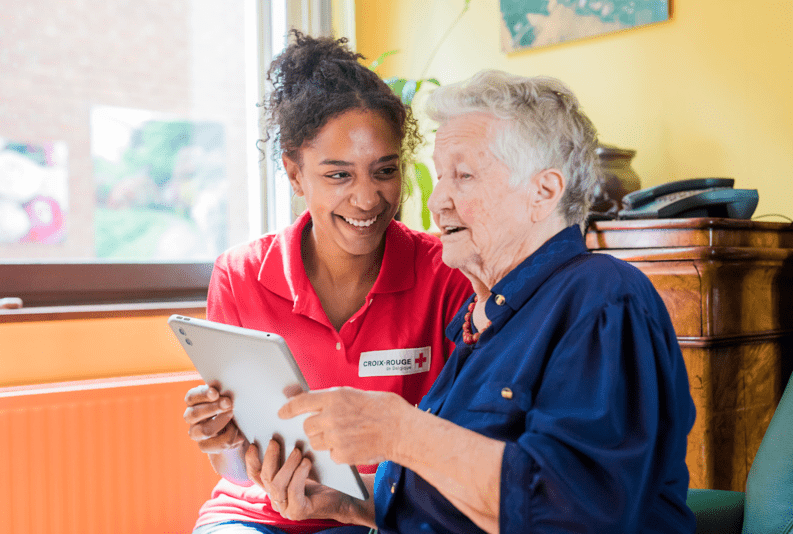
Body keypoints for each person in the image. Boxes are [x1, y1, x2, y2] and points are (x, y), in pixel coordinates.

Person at [250, 70, 698, 534]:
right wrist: (351, 503)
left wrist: (400, 432)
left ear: (543, 192)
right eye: (441, 175)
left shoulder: (602, 298)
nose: (437, 199)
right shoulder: (480, 317)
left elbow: (575, 511)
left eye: (463, 176)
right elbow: (460, 495)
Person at [182, 31, 472, 534]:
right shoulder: (240, 274)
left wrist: (356, 504)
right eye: (338, 175)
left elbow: (462, 447)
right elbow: (234, 472)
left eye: (384, 170)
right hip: (257, 516)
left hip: (384, 518)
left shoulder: (445, 276)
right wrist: (224, 443)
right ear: (295, 175)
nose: (367, 198)